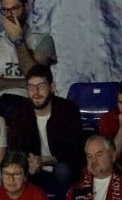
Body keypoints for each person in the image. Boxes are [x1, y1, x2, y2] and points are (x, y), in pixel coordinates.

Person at [6, 65, 83, 193]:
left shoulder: (68, 110)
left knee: (63, 171)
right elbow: (15, 147)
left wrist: (44, 161)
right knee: (15, 172)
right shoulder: (20, 112)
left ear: (51, 87)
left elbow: (73, 151)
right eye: (31, 87)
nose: (35, 93)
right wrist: (28, 163)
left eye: (41, 86)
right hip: (32, 168)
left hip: (61, 166)